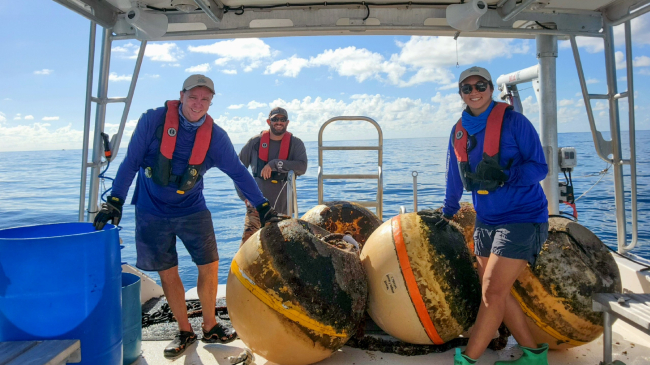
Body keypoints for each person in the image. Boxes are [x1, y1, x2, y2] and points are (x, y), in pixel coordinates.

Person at [93, 74, 278, 359]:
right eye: (193, 97)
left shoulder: (215, 136)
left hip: (192, 208)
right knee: (167, 271)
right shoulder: (153, 121)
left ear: (211, 102)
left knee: (209, 264)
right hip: (150, 209)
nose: (198, 103)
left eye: (205, 99)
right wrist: (115, 200)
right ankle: (184, 330)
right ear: (181, 96)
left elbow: (239, 173)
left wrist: (263, 206)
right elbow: (130, 162)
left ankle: (210, 325)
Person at [438, 66, 550, 365]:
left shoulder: (515, 122)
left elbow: (540, 167)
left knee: (491, 290)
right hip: (486, 220)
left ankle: (468, 361)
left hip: (523, 217)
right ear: (460, 93)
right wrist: (448, 210)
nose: (474, 92)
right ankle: (534, 355)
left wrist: (506, 175)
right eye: (467, 87)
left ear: (490, 88)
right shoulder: (459, 130)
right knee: (498, 293)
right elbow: (453, 175)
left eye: (481, 85)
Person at [237, 106, 308, 244]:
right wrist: (244, 196)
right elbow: (236, 169)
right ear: (268, 122)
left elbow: (302, 167)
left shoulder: (296, 143)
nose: (279, 122)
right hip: (256, 206)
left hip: (284, 207)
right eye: (275, 119)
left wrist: (275, 163)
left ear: (287, 122)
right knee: (248, 245)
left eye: (282, 119)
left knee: (281, 248)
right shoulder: (254, 142)